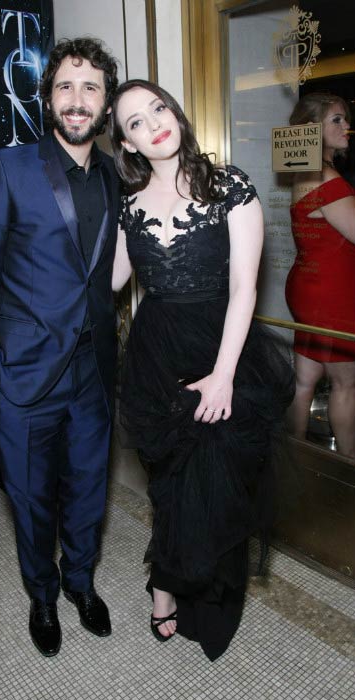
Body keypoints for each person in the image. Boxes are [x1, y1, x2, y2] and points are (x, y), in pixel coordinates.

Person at [109, 79, 294, 660]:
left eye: (157, 109)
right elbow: (109, 283)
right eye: (135, 122)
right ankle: (169, 580)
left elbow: (245, 288)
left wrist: (223, 375)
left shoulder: (230, 185)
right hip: (155, 351)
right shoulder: (128, 205)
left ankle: (176, 589)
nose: (153, 124)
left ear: (176, 113)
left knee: (213, 487)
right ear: (128, 144)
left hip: (223, 347)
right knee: (169, 484)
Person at [0, 38, 119, 657]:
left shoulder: (112, 176)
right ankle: (43, 595)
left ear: (104, 105)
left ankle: (81, 583)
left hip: (92, 375)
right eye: (66, 87)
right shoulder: (8, 167)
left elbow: (104, 272)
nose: (78, 101)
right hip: (21, 376)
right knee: (30, 500)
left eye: (91, 89)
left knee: (87, 491)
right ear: (47, 96)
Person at [285, 93, 355, 458]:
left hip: (307, 287)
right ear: (314, 131)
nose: (347, 127)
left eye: (345, 119)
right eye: (337, 121)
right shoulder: (329, 180)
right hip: (331, 292)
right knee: (347, 385)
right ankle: (348, 470)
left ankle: (293, 461)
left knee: (304, 382)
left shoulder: (305, 173)